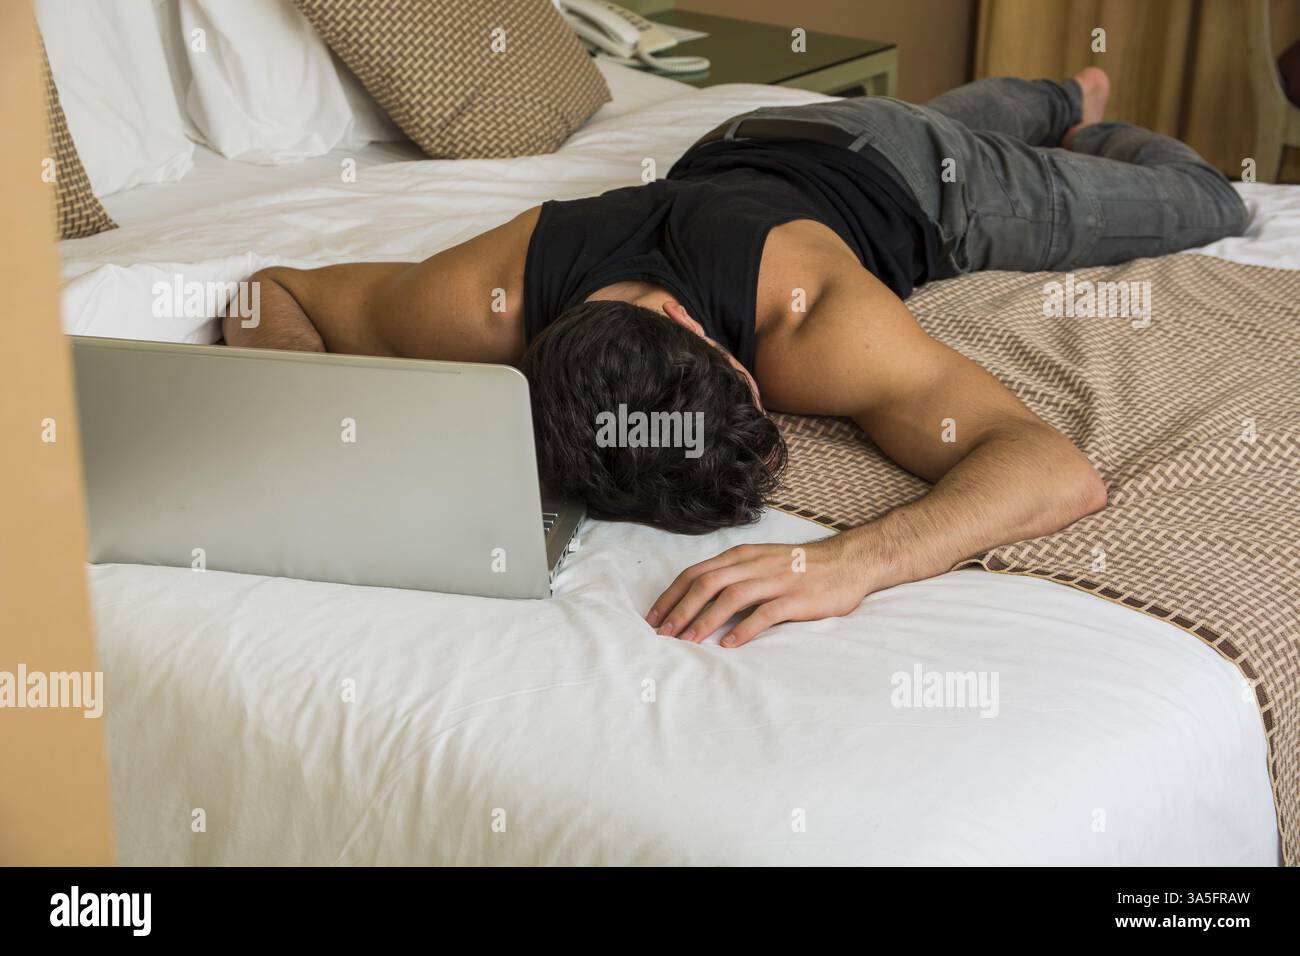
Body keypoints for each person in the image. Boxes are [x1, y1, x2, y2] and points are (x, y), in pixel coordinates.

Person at [224, 69, 1247, 646]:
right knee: (938, 115)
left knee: (1210, 201)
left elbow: (1049, 466)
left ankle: (1085, 115)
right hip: (758, 134)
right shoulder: (477, 304)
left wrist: (849, 560)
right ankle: (1045, 95)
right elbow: (265, 296)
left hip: (922, 185)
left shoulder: (815, 325)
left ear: (688, 317)